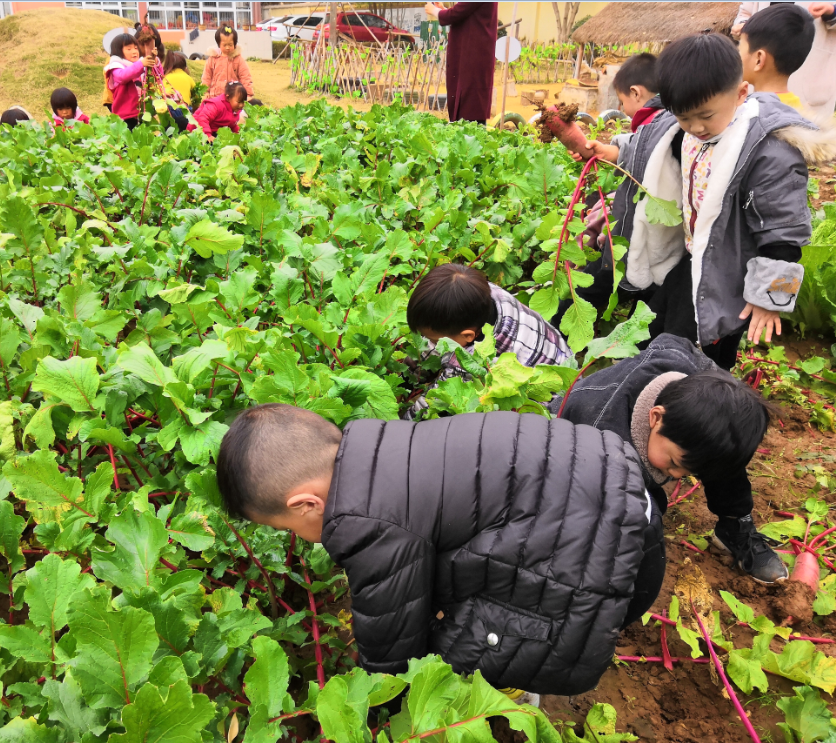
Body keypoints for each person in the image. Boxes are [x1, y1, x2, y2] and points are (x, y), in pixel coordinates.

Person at [216, 403, 663, 696]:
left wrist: (377, 708)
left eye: (290, 528)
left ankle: (524, 692)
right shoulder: (379, 446)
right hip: (623, 490)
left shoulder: (364, 519)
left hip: (613, 554)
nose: (298, 538)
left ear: (305, 504)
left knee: (449, 651)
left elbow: (393, 647)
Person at [622, 34, 835, 370]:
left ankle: (701, 404)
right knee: (655, 333)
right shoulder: (688, 133)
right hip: (693, 260)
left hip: (728, 278)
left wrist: (771, 298)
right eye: (684, 118)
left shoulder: (768, 152)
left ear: (740, 93)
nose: (695, 127)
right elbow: (647, 146)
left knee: (701, 356)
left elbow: (785, 235)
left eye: (704, 115)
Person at [551, 333, 785, 584]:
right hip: (577, 452)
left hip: (653, 428)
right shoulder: (599, 431)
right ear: (656, 417)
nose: (676, 476)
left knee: (721, 453)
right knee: (639, 511)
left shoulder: (686, 367)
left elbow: (673, 340)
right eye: (674, 463)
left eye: (686, 473)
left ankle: (733, 527)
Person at [568, 53, 668, 313]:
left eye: (622, 102)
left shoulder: (661, 127)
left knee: (590, 290)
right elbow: (634, 146)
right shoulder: (658, 123)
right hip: (654, 247)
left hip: (637, 240)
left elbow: (642, 147)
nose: (622, 109)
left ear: (635, 93)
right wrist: (603, 150)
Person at [404, 264, 572, 417]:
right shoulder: (487, 294)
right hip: (557, 353)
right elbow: (432, 343)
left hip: (551, 404)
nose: (428, 342)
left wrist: (404, 422)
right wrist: (407, 377)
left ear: (468, 336)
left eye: (433, 339)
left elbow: (434, 401)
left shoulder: (474, 363)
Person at [732, 2, 836, 118]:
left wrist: (833, 11)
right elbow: (745, 12)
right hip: (760, 77)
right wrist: (744, 26)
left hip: (810, 78)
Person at [424, 1, 497, 123]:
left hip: (473, 56)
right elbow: (463, 13)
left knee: (471, 105)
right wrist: (444, 10)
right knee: (469, 102)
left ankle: (472, 137)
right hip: (473, 54)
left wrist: (435, 11)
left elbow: (455, 14)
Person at [738, 4, 815, 109]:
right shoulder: (799, 111)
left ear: (759, 60)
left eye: (739, 49)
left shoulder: (749, 113)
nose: (736, 55)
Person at [103, 32, 157, 129]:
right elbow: (123, 76)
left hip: (141, 113)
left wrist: (155, 61)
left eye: (136, 48)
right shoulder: (116, 66)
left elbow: (156, 76)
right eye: (129, 49)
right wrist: (141, 64)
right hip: (125, 116)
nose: (134, 51)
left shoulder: (139, 64)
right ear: (118, 51)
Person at [202, 26, 254, 100]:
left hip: (233, 98)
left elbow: (245, 77)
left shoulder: (238, 59)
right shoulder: (212, 59)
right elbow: (206, 77)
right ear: (219, 44)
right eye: (224, 45)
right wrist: (205, 92)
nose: (227, 47)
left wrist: (248, 94)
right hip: (215, 97)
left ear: (235, 44)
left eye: (230, 45)